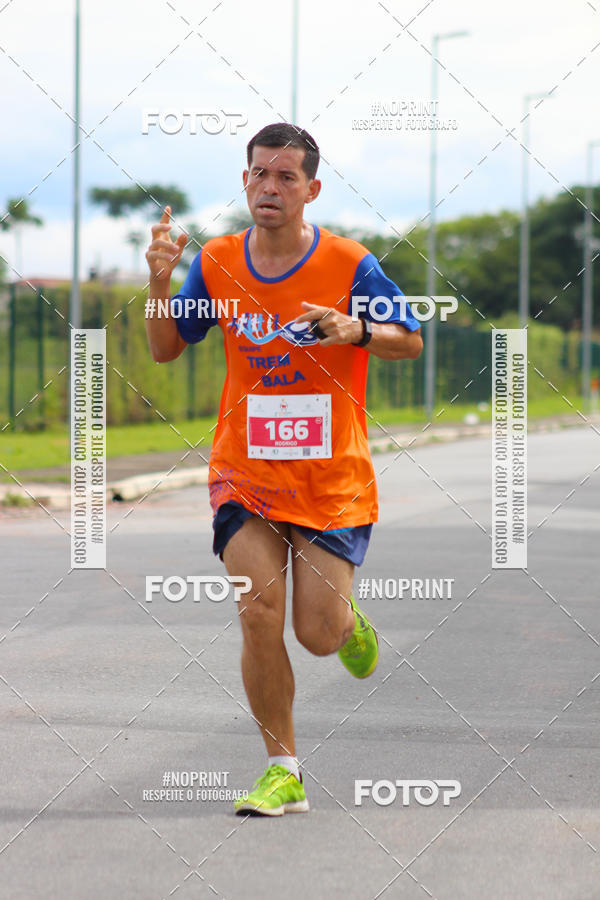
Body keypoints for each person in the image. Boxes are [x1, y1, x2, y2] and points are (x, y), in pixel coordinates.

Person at [145, 123, 423, 816]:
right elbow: (165, 348)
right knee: (257, 610)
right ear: (245, 182)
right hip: (246, 473)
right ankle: (283, 770)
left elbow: (410, 340)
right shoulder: (215, 260)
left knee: (316, 634)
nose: (270, 188)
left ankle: (349, 626)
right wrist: (156, 280)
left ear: (311, 189)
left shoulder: (350, 262)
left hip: (332, 481)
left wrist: (356, 329)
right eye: (259, 175)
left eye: (286, 177)